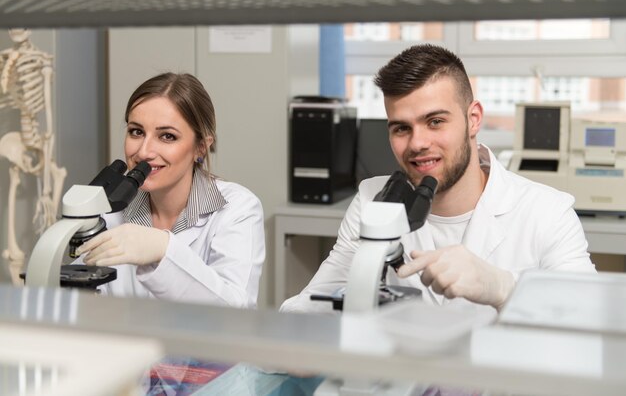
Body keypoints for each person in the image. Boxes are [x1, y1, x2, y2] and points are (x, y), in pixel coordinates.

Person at [281, 44, 595, 314]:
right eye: (402, 128)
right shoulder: (374, 199)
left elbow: (590, 318)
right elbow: (314, 301)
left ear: (473, 120)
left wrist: (502, 287)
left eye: (435, 121)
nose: (417, 143)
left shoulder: (547, 212)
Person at [75, 72, 265, 308]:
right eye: (136, 132)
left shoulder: (237, 208)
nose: (144, 152)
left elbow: (236, 311)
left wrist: (164, 249)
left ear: (200, 148)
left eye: (167, 136)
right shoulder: (109, 209)